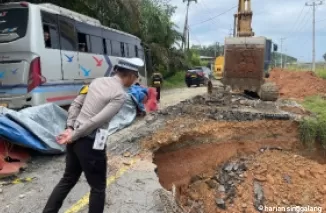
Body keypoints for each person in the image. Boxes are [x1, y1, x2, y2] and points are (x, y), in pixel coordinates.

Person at [42, 57, 144, 213]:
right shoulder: (119, 95)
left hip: (75, 140)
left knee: (68, 179)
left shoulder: (96, 81)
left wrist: (70, 128)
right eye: (136, 77)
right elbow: (95, 121)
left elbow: (76, 104)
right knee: (98, 187)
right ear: (130, 75)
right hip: (90, 142)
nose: (135, 81)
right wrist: (74, 134)